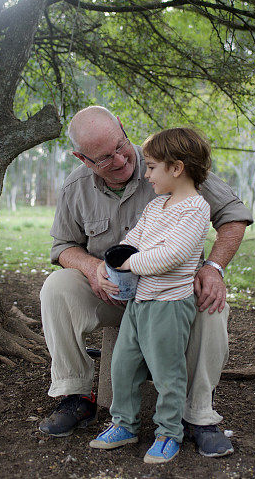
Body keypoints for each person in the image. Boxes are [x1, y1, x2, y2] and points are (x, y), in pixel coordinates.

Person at [39, 106, 252, 458]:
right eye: (105, 158)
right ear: (82, 158)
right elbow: (62, 247)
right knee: (56, 287)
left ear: (122, 127)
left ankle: (198, 415)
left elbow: (233, 215)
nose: (122, 159)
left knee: (213, 305)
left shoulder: (169, 161)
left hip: (172, 296)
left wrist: (213, 267)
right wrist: (92, 267)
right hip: (113, 295)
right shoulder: (76, 186)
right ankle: (75, 396)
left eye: (121, 146)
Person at [88, 127, 212, 464]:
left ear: (177, 168)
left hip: (169, 307)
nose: (146, 174)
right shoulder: (157, 206)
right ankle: (124, 424)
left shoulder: (196, 210)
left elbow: (171, 255)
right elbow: (135, 239)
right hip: (139, 303)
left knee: (167, 373)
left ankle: (169, 433)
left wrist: (130, 262)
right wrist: (110, 263)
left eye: (152, 167)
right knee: (123, 366)